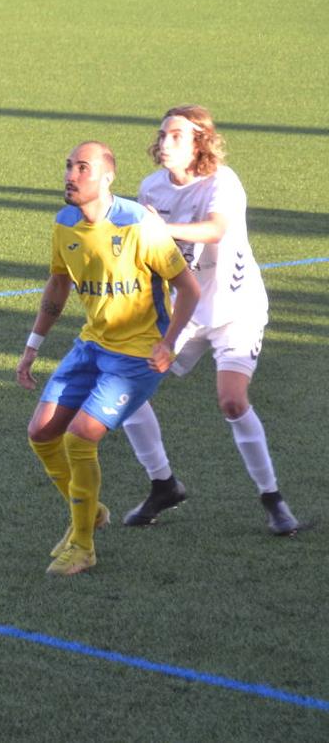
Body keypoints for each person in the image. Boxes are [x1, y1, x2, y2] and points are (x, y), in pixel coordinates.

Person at [17, 141, 200, 577]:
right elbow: (58, 285)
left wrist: (169, 343)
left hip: (138, 355)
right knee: (41, 434)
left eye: (82, 167)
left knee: (80, 438)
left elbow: (189, 289)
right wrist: (32, 345)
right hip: (92, 346)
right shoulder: (64, 223)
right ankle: (90, 511)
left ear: (106, 177)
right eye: (68, 166)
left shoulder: (140, 224)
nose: (71, 175)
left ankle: (82, 544)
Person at [119, 106, 298, 536]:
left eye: (177, 136)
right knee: (124, 386)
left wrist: (163, 228)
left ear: (199, 143)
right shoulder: (151, 188)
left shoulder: (223, 181)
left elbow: (215, 229)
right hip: (185, 311)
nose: (165, 143)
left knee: (232, 401)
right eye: (163, 135)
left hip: (237, 311)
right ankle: (163, 484)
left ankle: (272, 498)